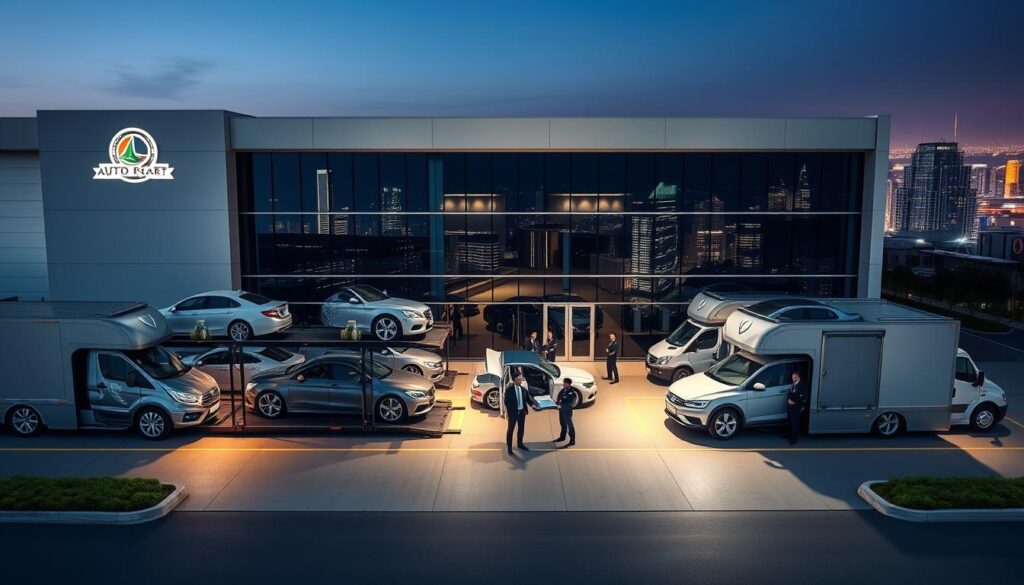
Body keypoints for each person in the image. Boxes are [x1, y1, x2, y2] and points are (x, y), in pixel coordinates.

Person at [503, 373, 538, 455]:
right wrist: (507, 413)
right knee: (510, 430)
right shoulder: (509, 390)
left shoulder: (523, 389)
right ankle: (509, 448)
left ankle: (520, 444)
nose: (521, 381)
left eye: (521, 379)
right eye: (519, 379)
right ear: (514, 380)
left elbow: (528, 400)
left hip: (522, 412)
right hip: (512, 414)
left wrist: (535, 406)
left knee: (521, 429)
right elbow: (506, 402)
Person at [785, 370, 807, 445]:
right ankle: (789, 434)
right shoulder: (792, 385)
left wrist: (794, 402)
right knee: (790, 422)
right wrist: (788, 399)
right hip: (790, 407)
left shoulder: (801, 387)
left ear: (799, 378)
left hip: (796, 407)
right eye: (793, 377)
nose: (794, 379)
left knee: (795, 423)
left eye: (795, 377)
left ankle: (794, 439)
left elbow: (803, 398)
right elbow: (788, 394)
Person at [554, 378, 576, 447]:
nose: (563, 384)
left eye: (565, 383)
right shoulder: (564, 390)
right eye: (563, 382)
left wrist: (561, 406)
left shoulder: (571, 392)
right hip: (561, 410)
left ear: (569, 384)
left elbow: (569, 403)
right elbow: (560, 398)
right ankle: (562, 437)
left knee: (569, 425)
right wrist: (557, 403)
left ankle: (572, 440)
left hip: (567, 411)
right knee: (562, 423)